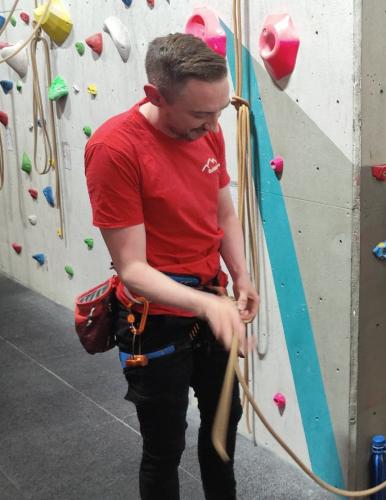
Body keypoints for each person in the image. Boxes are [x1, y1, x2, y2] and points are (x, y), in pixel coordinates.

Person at [85, 33, 259, 500]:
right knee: (164, 447)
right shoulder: (115, 150)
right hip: (153, 322)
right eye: (201, 114)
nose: (214, 125)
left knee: (223, 433)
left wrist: (240, 274)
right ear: (155, 96)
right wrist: (208, 305)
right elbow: (133, 268)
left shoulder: (211, 130)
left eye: (220, 110)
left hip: (209, 303)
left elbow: (222, 210)